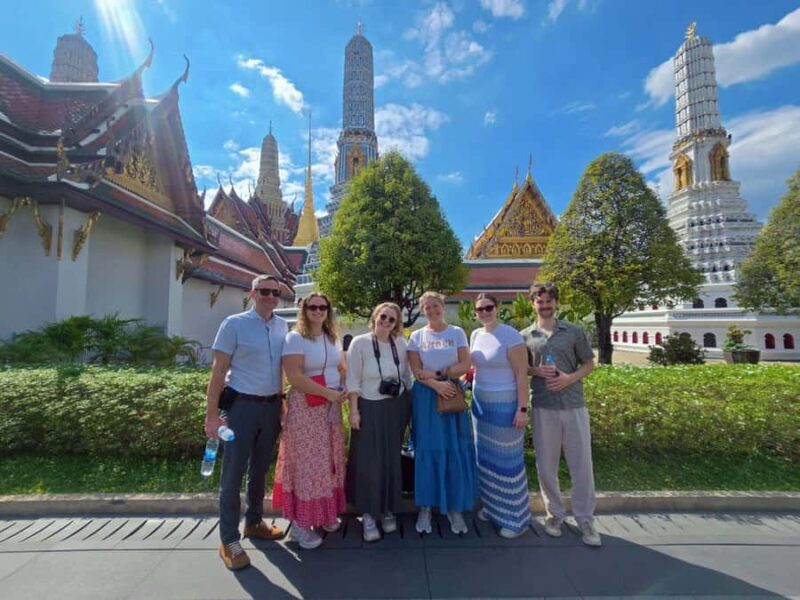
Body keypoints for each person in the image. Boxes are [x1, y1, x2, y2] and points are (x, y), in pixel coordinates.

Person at [206, 274, 288, 571]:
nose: (269, 296)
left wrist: (282, 402)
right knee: (233, 472)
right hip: (241, 406)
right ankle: (228, 539)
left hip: (270, 406)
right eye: (264, 291)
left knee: (259, 468)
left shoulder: (282, 325)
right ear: (252, 293)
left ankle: (253, 521)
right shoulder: (234, 324)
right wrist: (212, 415)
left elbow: (280, 369)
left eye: (274, 293)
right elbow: (218, 372)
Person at [520, 281, 601, 547]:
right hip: (543, 406)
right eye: (539, 302)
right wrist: (535, 371)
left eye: (549, 302)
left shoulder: (573, 331)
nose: (544, 306)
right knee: (546, 465)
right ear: (533, 303)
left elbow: (590, 363)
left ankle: (585, 518)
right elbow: (523, 369)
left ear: (556, 303)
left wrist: (570, 379)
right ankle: (554, 514)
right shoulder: (527, 335)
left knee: (581, 465)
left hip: (574, 404)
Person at [272, 293, 348, 550]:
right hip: (306, 407)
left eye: (323, 307)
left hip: (330, 406)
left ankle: (324, 514)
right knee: (307, 464)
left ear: (328, 310)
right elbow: (294, 377)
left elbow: (340, 368)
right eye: (312, 307)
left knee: (328, 462)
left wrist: (344, 387)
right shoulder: (295, 338)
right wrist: (328, 394)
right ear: (304, 310)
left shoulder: (331, 338)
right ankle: (301, 526)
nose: (318, 311)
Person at [408, 291, 478, 535]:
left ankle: (454, 508)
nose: (432, 310)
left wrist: (439, 376)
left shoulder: (456, 332)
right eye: (427, 307)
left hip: (451, 393)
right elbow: (417, 371)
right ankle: (426, 506)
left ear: (443, 306)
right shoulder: (416, 336)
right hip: (426, 397)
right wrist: (435, 383)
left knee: (453, 447)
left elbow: (464, 365)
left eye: (435, 306)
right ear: (422, 310)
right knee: (427, 447)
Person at [345, 302, 412, 542]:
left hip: (395, 407)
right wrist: (354, 411)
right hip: (368, 406)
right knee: (368, 460)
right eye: (383, 317)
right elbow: (352, 379)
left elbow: (406, 376)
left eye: (392, 320)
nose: (386, 322)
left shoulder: (400, 344)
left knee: (391, 459)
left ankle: (387, 508)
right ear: (374, 317)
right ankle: (368, 513)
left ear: (397, 324)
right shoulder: (360, 343)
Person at [469, 293, 532, 538]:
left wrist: (522, 408)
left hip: (505, 403)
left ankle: (515, 518)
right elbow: (476, 366)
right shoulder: (476, 335)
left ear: (497, 308)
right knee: (485, 458)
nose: (484, 312)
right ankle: (493, 507)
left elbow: (520, 374)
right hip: (480, 403)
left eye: (488, 308)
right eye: (479, 309)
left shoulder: (511, 335)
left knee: (508, 461)